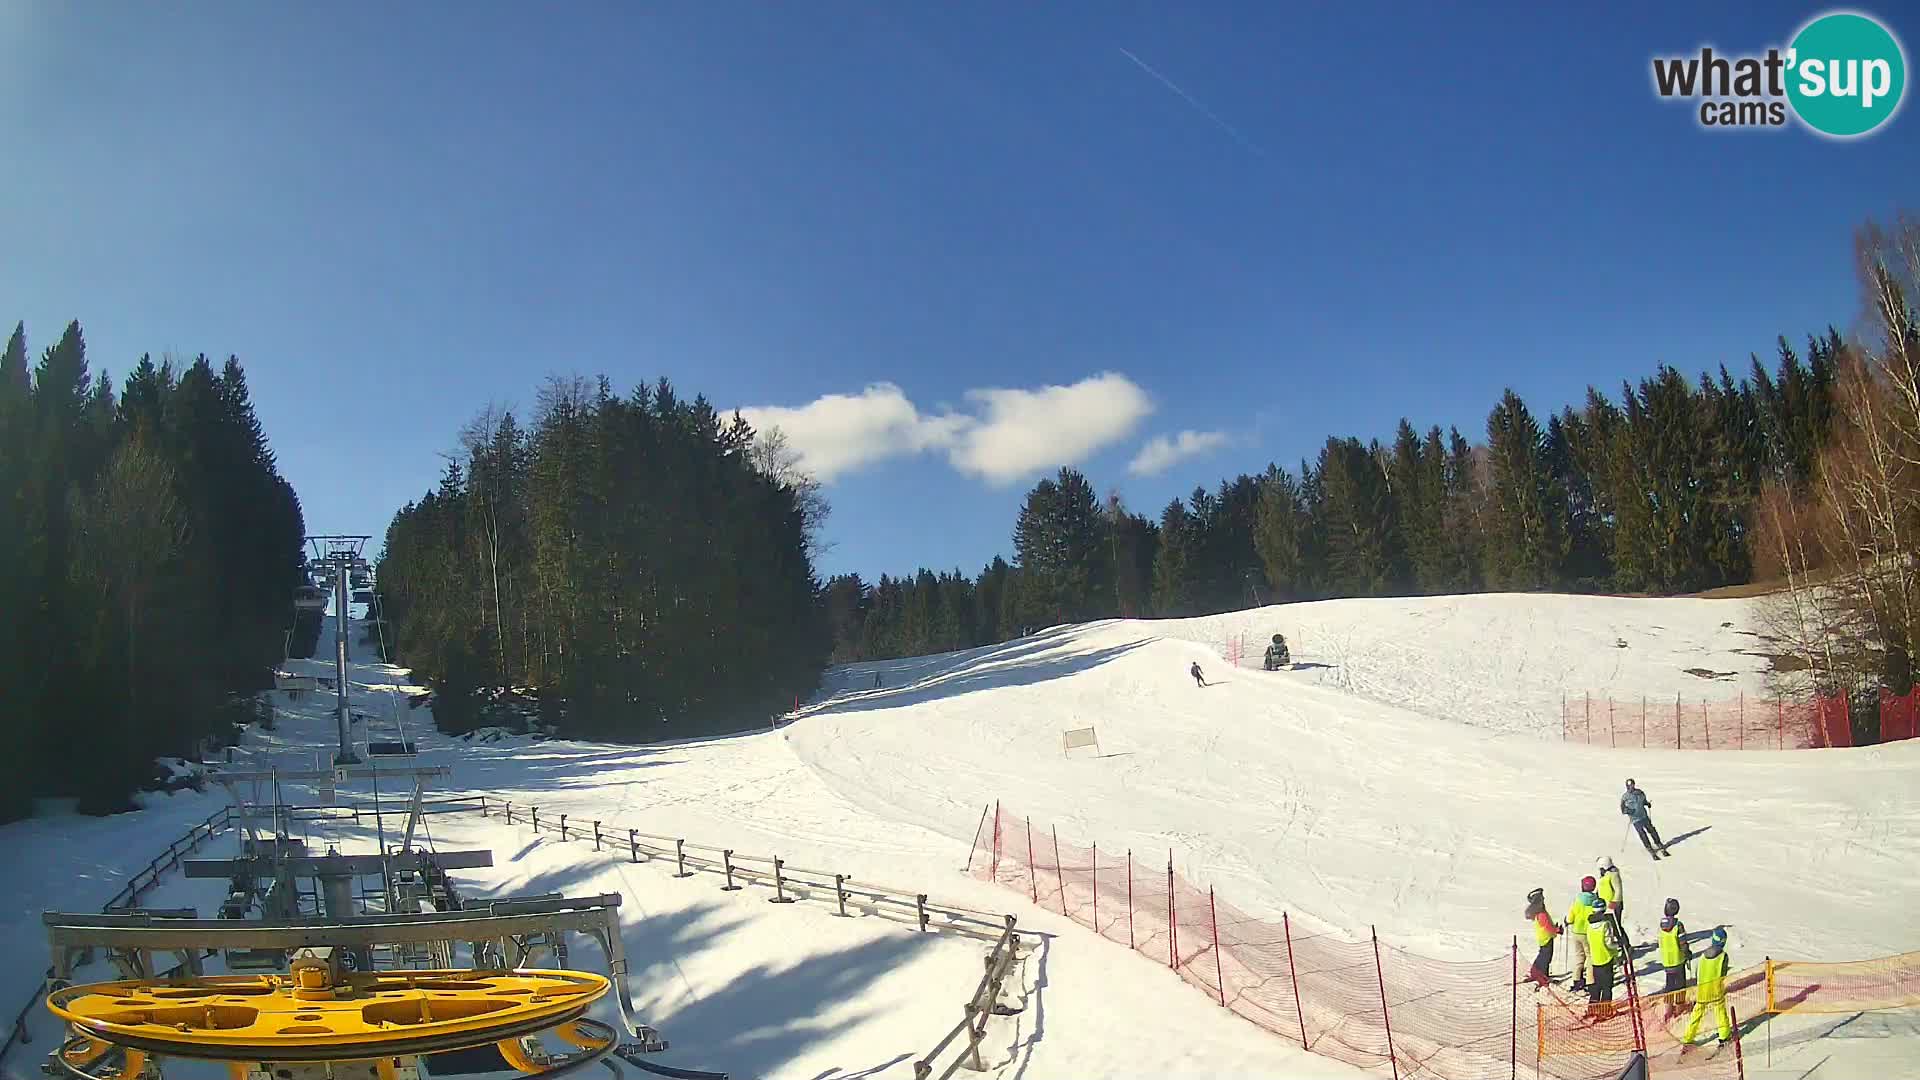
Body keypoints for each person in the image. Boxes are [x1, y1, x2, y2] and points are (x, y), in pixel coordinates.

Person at [1682, 927, 1733, 1047]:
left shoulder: (1703, 955)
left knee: (1696, 1015)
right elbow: (1723, 974)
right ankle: (1724, 1036)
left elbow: (1698, 971)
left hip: (1702, 990)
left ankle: (1688, 1037)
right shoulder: (1723, 956)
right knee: (1720, 1014)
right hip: (1715, 991)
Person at [1583, 894, 1618, 1015]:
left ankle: (1592, 1008)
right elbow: (1609, 943)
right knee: (1607, 986)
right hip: (1606, 958)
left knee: (1597, 985)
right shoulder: (1605, 925)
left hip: (1595, 960)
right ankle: (1605, 1010)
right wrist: (1617, 945)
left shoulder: (1589, 926)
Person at [1658, 897, 1692, 1019]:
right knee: (1680, 984)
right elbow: (1682, 942)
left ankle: (1668, 1009)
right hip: (1678, 959)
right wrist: (1687, 952)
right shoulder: (1678, 926)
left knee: (1669, 984)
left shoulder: (1661, 925)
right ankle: (1679, 1007)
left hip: (1667, 960)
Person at [1620, 779, 1671, 859]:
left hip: (1644, 816)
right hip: (1635, 819)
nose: (1631, 787)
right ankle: (1649, 847)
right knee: (1642, 833)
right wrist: (1629, 811)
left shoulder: (1639, 792)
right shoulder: (1625, 797)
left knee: (1652, 830)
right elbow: (1623, 809)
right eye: (1629, 786)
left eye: (1632, 785)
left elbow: (1643, 801)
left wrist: (1647, 803)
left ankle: (1658, 843)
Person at [1525, 887, 1561, 989]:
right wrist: (1557, 930)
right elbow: (1548, 927)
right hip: (1546, 938)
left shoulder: (1537, 912)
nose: (1544, 899)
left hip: (1543, 937)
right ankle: (1542, 976)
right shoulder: (1541, 913)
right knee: (1546, 958)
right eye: (1542, 897)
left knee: (1543, 955)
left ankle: (1537, 973)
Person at [1566, 875, 1597, 992]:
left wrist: (1568, 921)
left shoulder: (1578, 901)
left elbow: (1570, 918)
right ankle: (1590, 981)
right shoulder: (1595, 901)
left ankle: (1576, 980)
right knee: (1590, 957)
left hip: (1577, 932)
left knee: (1579, 956)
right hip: (1588, 933)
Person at [1596, 855, 1625, 931]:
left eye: (1601, 868)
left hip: (1613, 906)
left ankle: (1623, 941)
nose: (1600, 870)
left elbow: (1618, 890)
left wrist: (1614, 902)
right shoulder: (1605, 875)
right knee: (1609, 927)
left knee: (1616, 927)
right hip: (1606, 905)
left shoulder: (1613, 875)